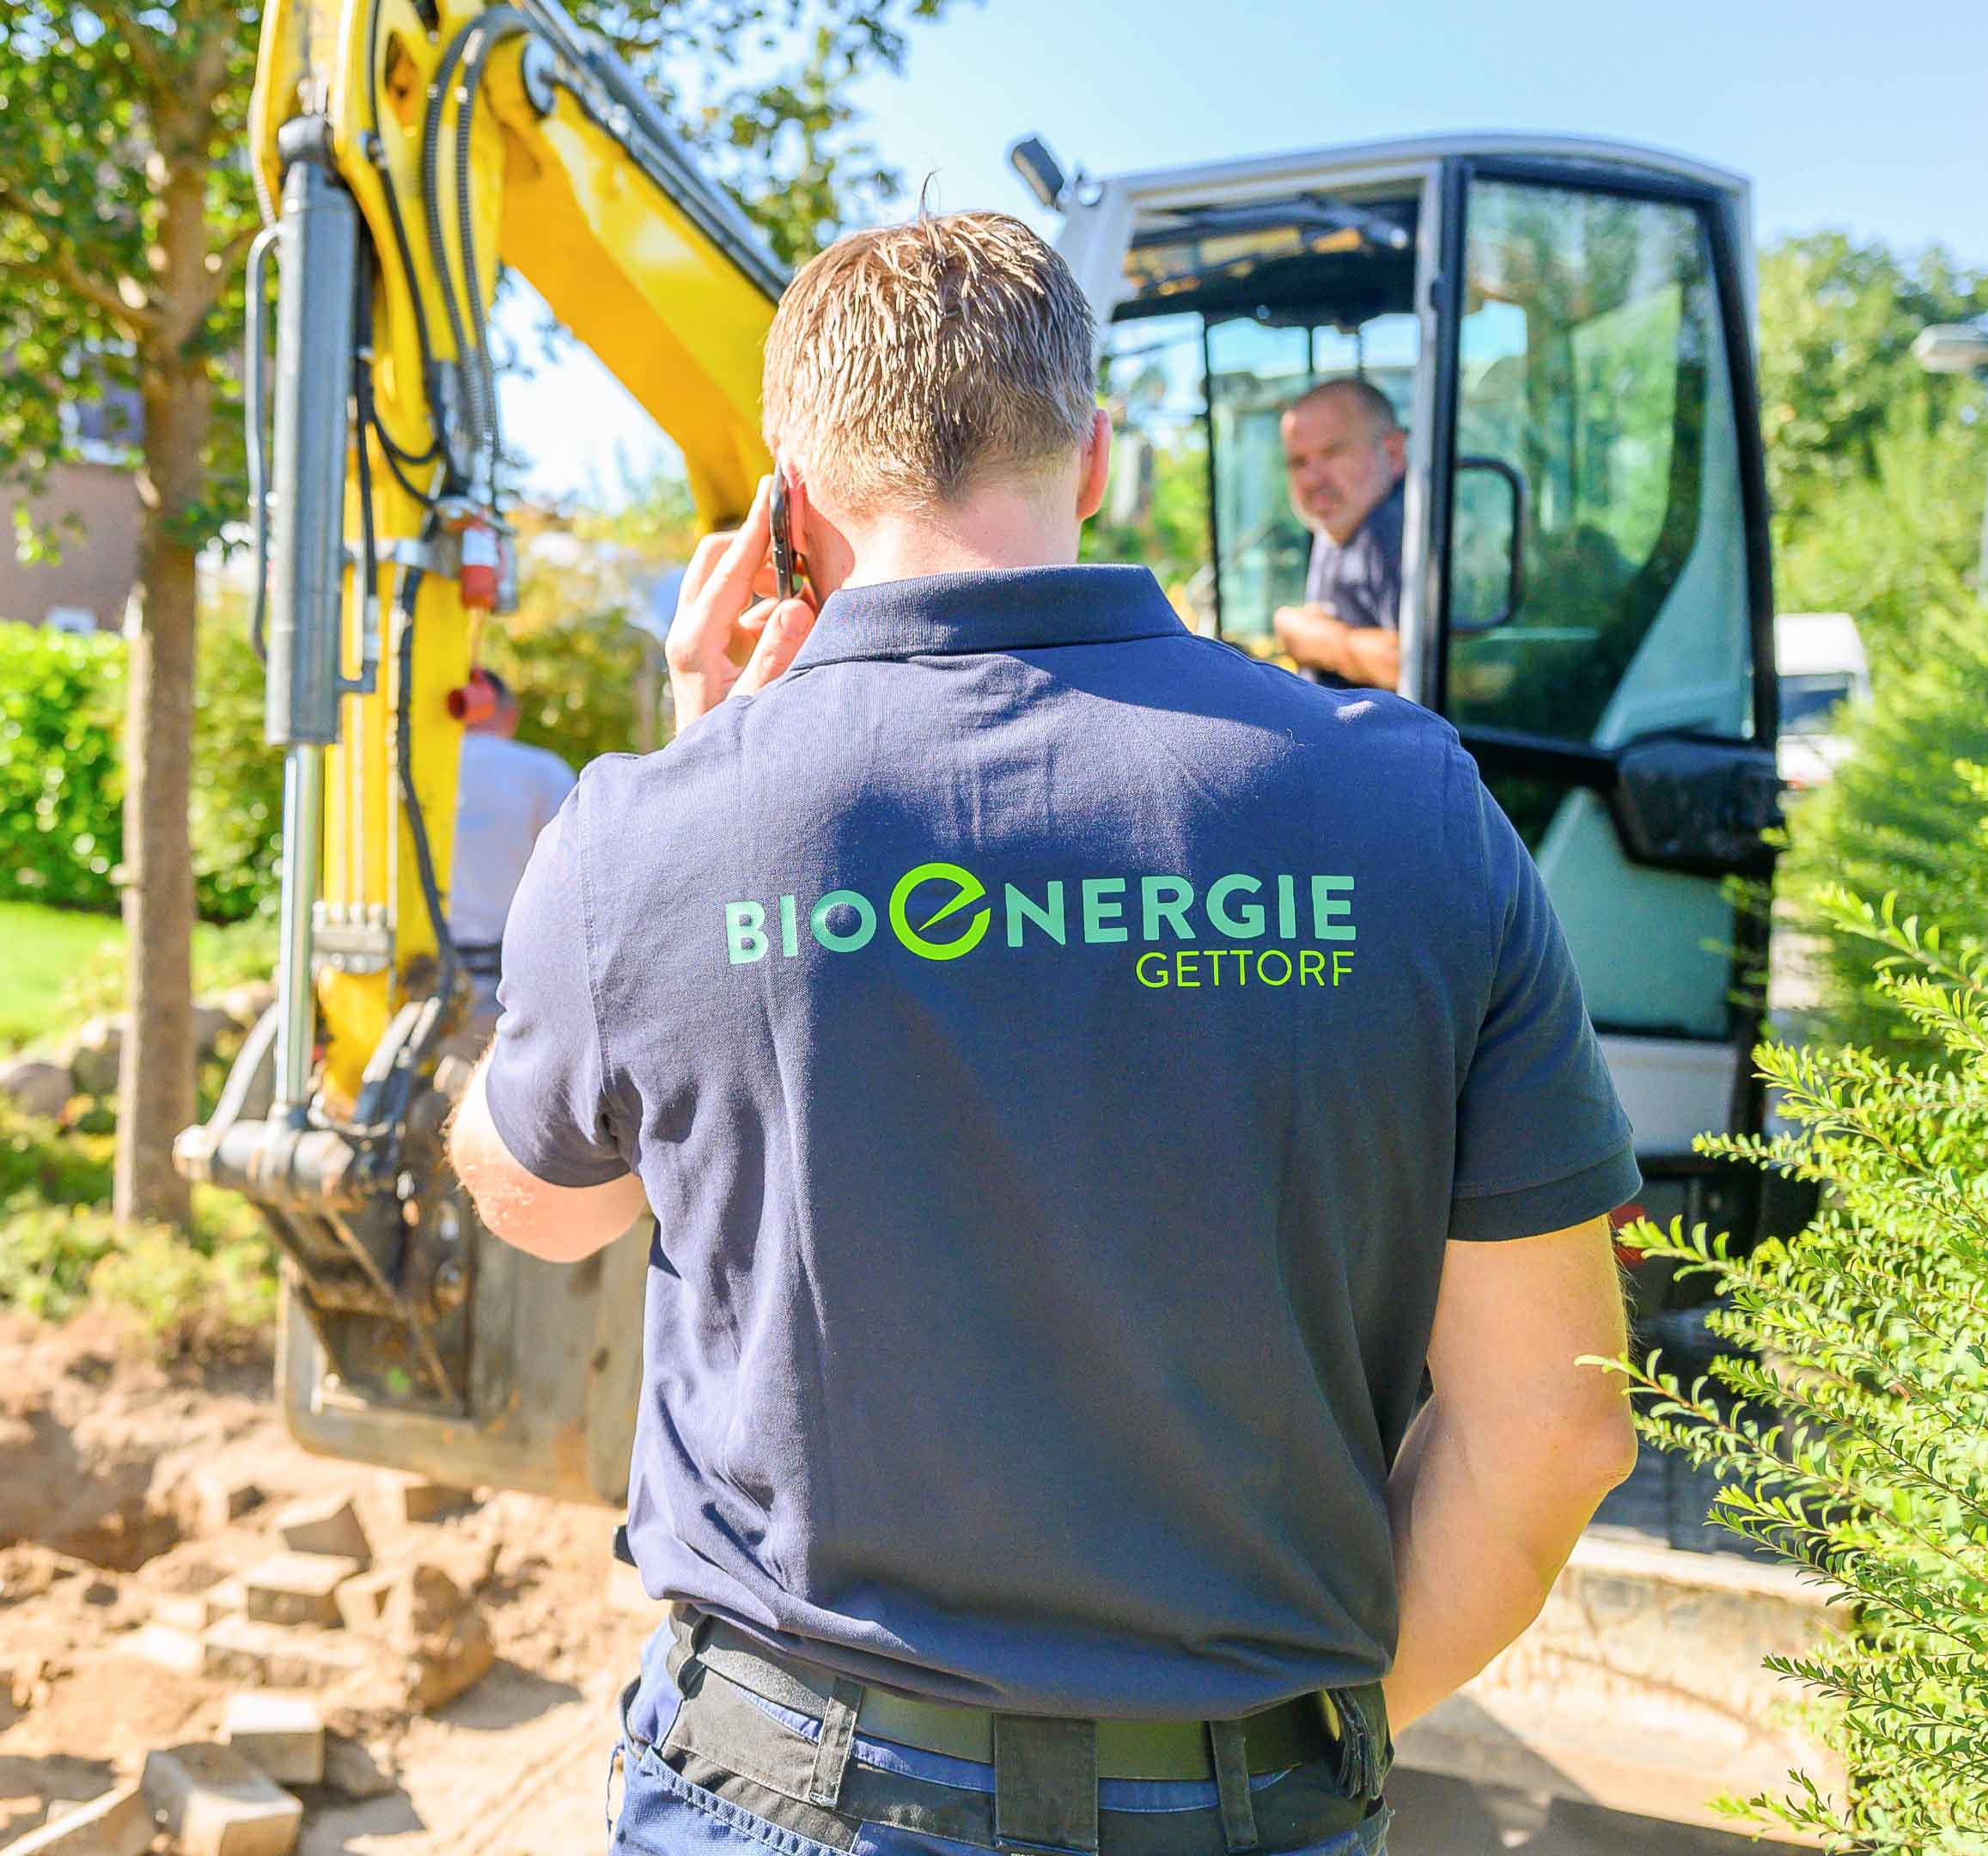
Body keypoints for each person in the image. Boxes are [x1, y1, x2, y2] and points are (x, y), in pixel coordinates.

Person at [449, 212, 1640, 1856]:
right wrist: (1292, 1754)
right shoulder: (1417, 805)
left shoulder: (649, 831)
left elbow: (545, 1200)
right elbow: (1556, 1428)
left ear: (790, 508)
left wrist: (697, 769)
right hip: (1242, 1794)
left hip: (790, 1786)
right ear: (1092, 458)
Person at [444, 664, 578, 1009]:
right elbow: (574, 877)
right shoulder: (543, 771)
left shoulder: (408, 771)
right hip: (511, 983)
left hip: (419, 977)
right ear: (511, 713)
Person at [1270, 377, 1409, 690]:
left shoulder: (1400, 528)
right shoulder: (1338, 522)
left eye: (1333, 453)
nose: (1312, 478)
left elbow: (1446, 670)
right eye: (1298, 462)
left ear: (1393, 453)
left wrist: (1313, 640)